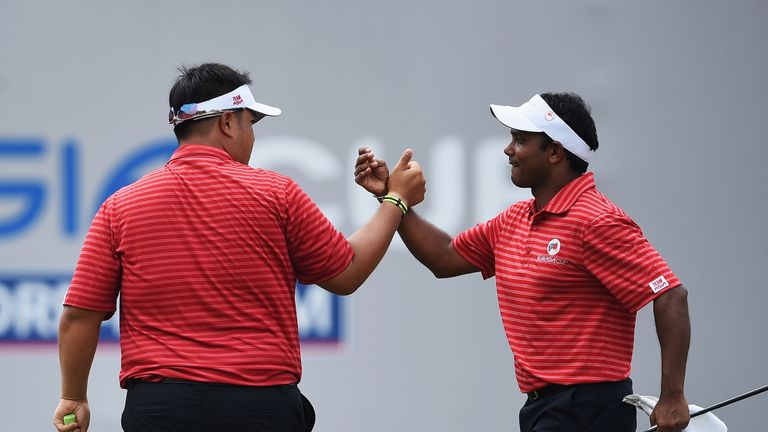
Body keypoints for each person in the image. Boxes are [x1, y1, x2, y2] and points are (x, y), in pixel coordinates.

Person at [53, 62, 426, 432]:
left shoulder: (120, 206)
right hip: (259, 407)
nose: (251, 135)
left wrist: (73, 397)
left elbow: (79, 315)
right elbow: (346, 272)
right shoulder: (277, 193)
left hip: (160, 409)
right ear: (228, 123)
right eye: (249, 122)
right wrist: (395, 201)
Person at [354, 92, 691, 432]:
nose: (508, 149)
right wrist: (389, 198)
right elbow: (444, 258)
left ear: (555, 152)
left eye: (520, 140)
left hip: (590, 408)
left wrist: (673, 396)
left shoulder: (597, 221)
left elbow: (670, 294)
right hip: (543, 409)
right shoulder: (515, 219)